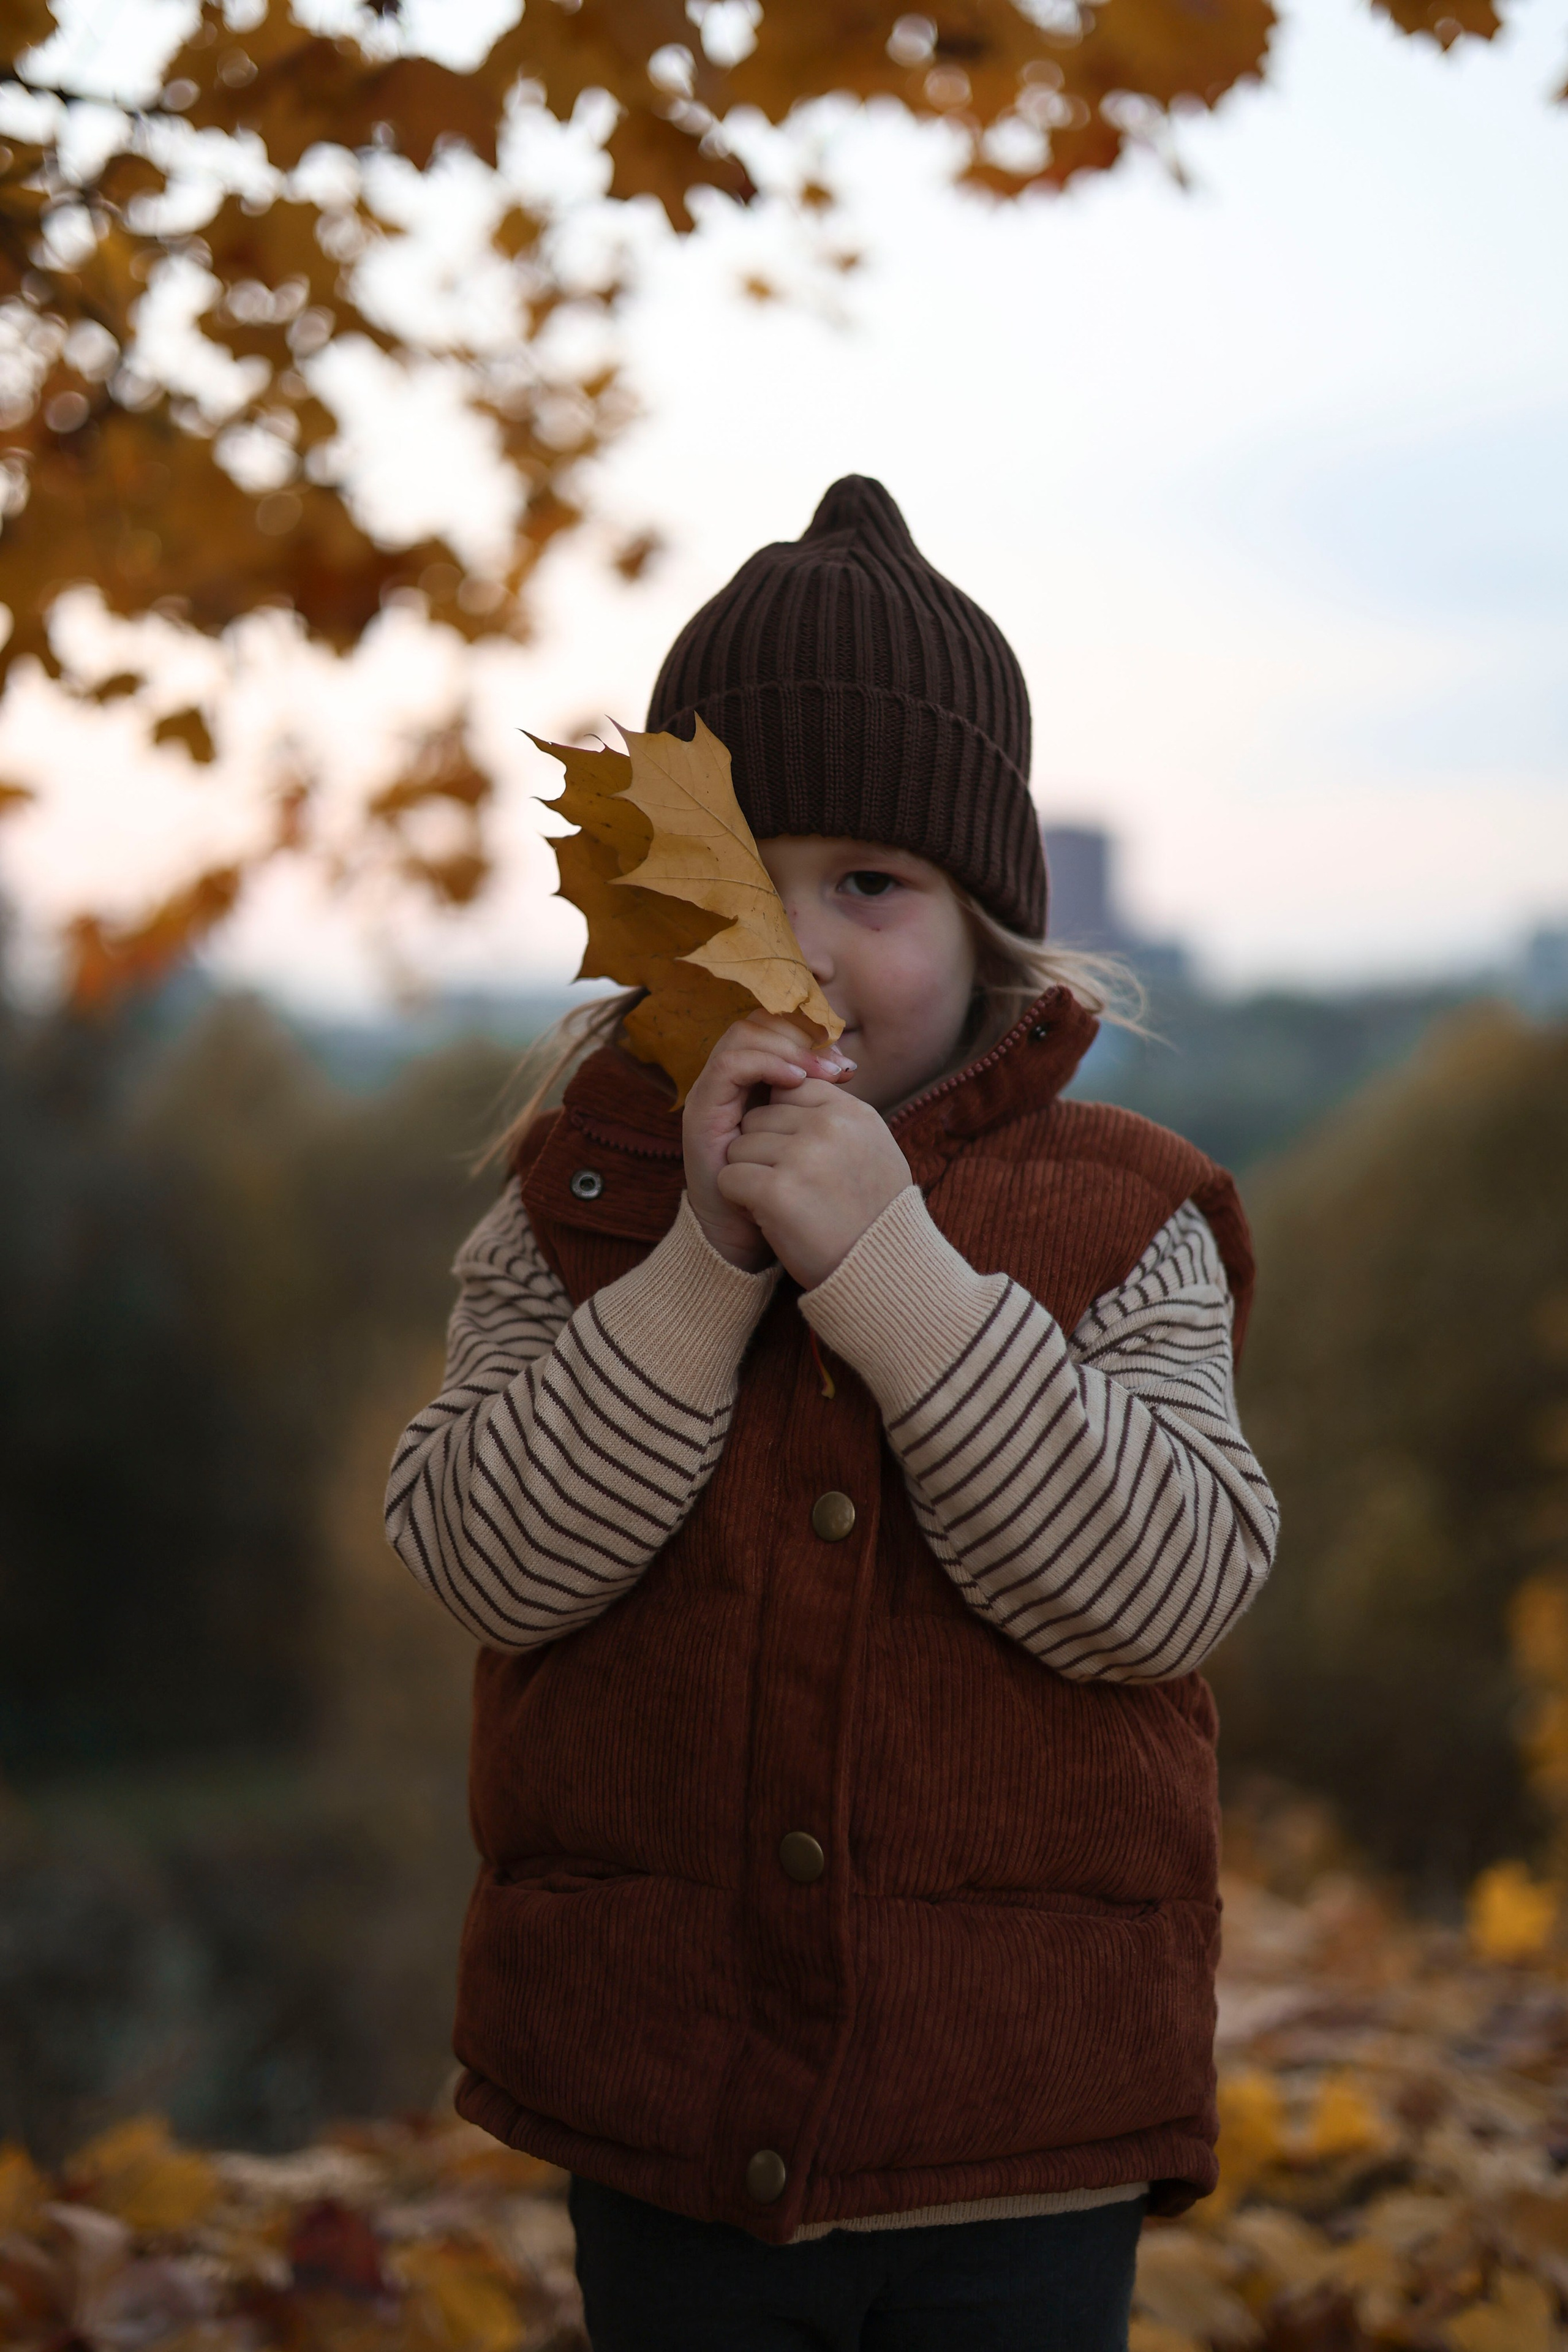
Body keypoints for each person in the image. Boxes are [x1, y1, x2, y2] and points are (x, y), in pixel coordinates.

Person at [385, 477, 1279, 2351]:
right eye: (739, 889)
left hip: (1019, 2117)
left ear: (987, 928)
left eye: (867, 886)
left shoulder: (1127, 1216)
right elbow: (490, 1561)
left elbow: (1167, 1586)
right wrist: (702, 1262)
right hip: (665, 2105)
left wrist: (889, 1263)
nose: (794, 950)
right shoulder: (580, 1200)